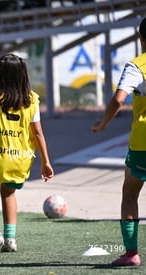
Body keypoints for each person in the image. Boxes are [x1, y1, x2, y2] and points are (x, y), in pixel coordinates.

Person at [0, 53, 54, 253]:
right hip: (18, 159)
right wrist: (46, 162)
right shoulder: (31, 99)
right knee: (8, 193)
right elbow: (38, 132)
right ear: (22, 74)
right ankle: (10, 239)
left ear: (0, 73)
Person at [92, 17, 146, 267]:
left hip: (142, 142)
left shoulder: (137, 65)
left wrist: (103, 123)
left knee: (130, 192)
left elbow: (118, 99)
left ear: (141, 38)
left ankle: (132, 253)